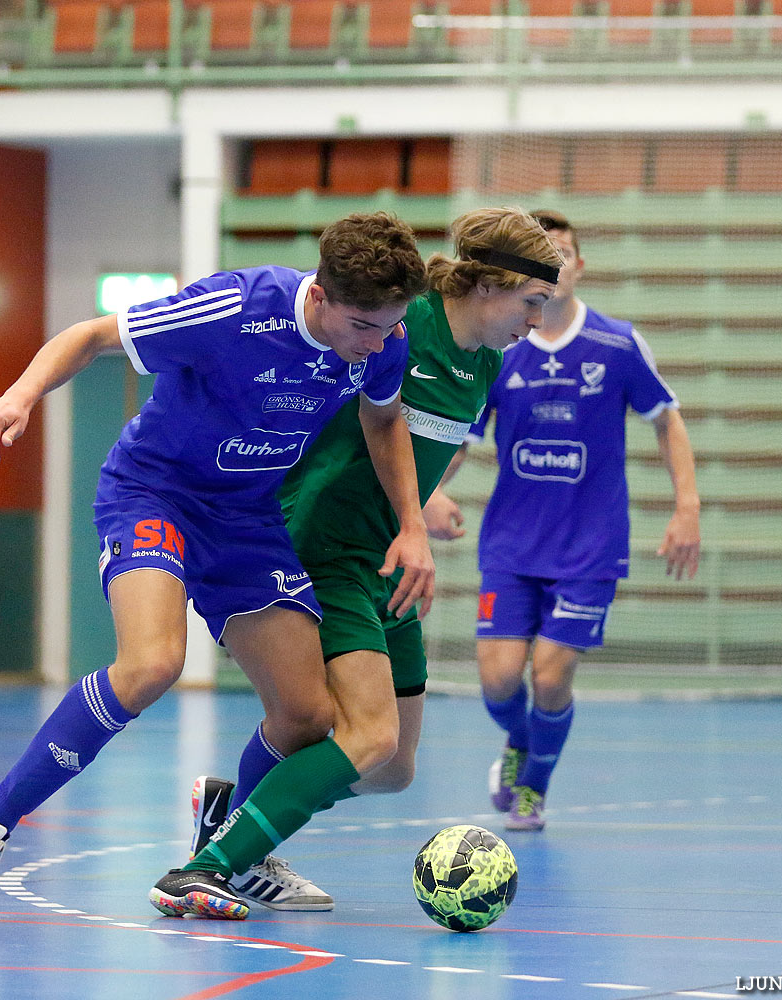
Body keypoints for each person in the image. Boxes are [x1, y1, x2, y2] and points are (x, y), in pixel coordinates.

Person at [0, 212, 433, 917]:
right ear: (318, 297)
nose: (379, 343)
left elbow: (384, 421)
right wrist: (18, 397)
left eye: (390, 326)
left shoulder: (381, 345)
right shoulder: (236, 307)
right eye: (364, 325)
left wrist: (412, 523)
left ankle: (235, 849)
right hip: (154, 494)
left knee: (308, 714)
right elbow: (92, 335)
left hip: (247, 519)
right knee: (152, 664)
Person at [150, 208, 566, 920]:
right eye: (532, 302)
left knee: (395, 767)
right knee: (365, 733)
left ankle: (238, 809)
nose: (537, 319)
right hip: (329, 543)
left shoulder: (489, 362)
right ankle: (208, 865)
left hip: (391, 561)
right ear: (492, 286)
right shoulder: (400, 326)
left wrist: (421, 508)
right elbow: (352, 410)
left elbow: (430, 438)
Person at [426, 209, 701, 833]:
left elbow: (666, 418)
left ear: (578, 267)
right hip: (510, 545)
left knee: (550, 675)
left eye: (563, 252)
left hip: (589, 548)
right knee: (498, 683)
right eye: (541, 253)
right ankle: (522, 741)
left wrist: (688, 507)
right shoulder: (500, 346)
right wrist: (424, 496)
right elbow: (461, 438)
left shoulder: (616, 343)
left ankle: (535, 788)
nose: (554, 262)